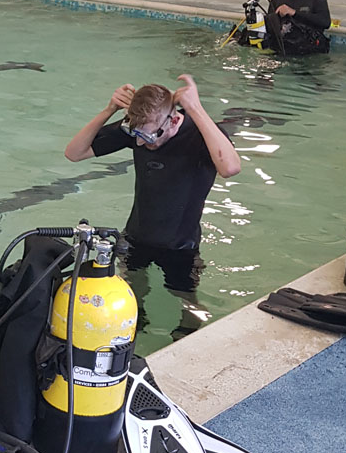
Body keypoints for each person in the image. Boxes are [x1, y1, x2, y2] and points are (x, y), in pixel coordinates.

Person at [64, 75, 241, 340]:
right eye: (135, 135)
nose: (141, 143)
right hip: (137, 237)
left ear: (172, 120)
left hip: (181, 245)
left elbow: (230, 168)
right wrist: (108, 110)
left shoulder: (200, 133)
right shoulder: (139, 130)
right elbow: (74, 152)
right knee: (131, 295)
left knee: (187, 306)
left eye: (148, 136)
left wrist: (196, 108)